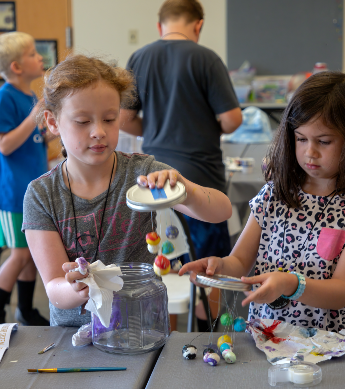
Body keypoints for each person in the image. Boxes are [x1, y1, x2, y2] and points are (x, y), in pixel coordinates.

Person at [22, 54, 233, 327]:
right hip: (75, 338)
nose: (98, 131)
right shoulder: (41, 194)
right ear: (52, 122)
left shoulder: (142, 173)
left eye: (109, 119)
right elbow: (54, 287)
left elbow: (221, 211)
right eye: (83, 121)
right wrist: (75, 289)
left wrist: (184, 189)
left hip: (141, 330)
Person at [179, 71, 345, 331]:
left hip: (328, 345)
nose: (309, 152)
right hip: (266, 338)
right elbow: (239, 262)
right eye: (301, 139)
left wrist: (292, 284)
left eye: (324, 141)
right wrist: (218, 267)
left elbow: (344, 291)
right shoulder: (273, 195)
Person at [120, 0, 242, 329]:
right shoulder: (206, 59)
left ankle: (168, 340)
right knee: (209, 268)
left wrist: (158, 130)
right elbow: (232, 120)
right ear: (198, 25)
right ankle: (209, 334)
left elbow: (123, 118)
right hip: (200, 181)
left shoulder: (140, 58)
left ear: (160, 26)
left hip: (153, 183)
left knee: (165, 263)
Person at [0, 32, 50, 326]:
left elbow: (33, 139)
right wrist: (34, 116)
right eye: (33, 53)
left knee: (30, 254)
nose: (40, 57)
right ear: (17, 66)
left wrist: (47, 131)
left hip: (29, 191)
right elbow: (5, 144)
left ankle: (26, 310)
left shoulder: (29, 95)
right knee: (20, 254)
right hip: (10, 193)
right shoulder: (4, 97)